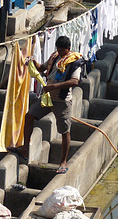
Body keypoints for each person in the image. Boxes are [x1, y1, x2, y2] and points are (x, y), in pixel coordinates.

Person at [9, 36, 84, 174]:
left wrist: (54, 86)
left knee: (64, 131)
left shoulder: (74, 62)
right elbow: (42, 67)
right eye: (58, 49)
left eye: (62, 50)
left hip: (62, 100)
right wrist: (33, 62)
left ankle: (63, 161)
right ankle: (25, 149)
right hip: (48, 97)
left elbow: (74, 81)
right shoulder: (54, 57)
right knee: (29, 116)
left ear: (68, 49)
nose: (60, 52)